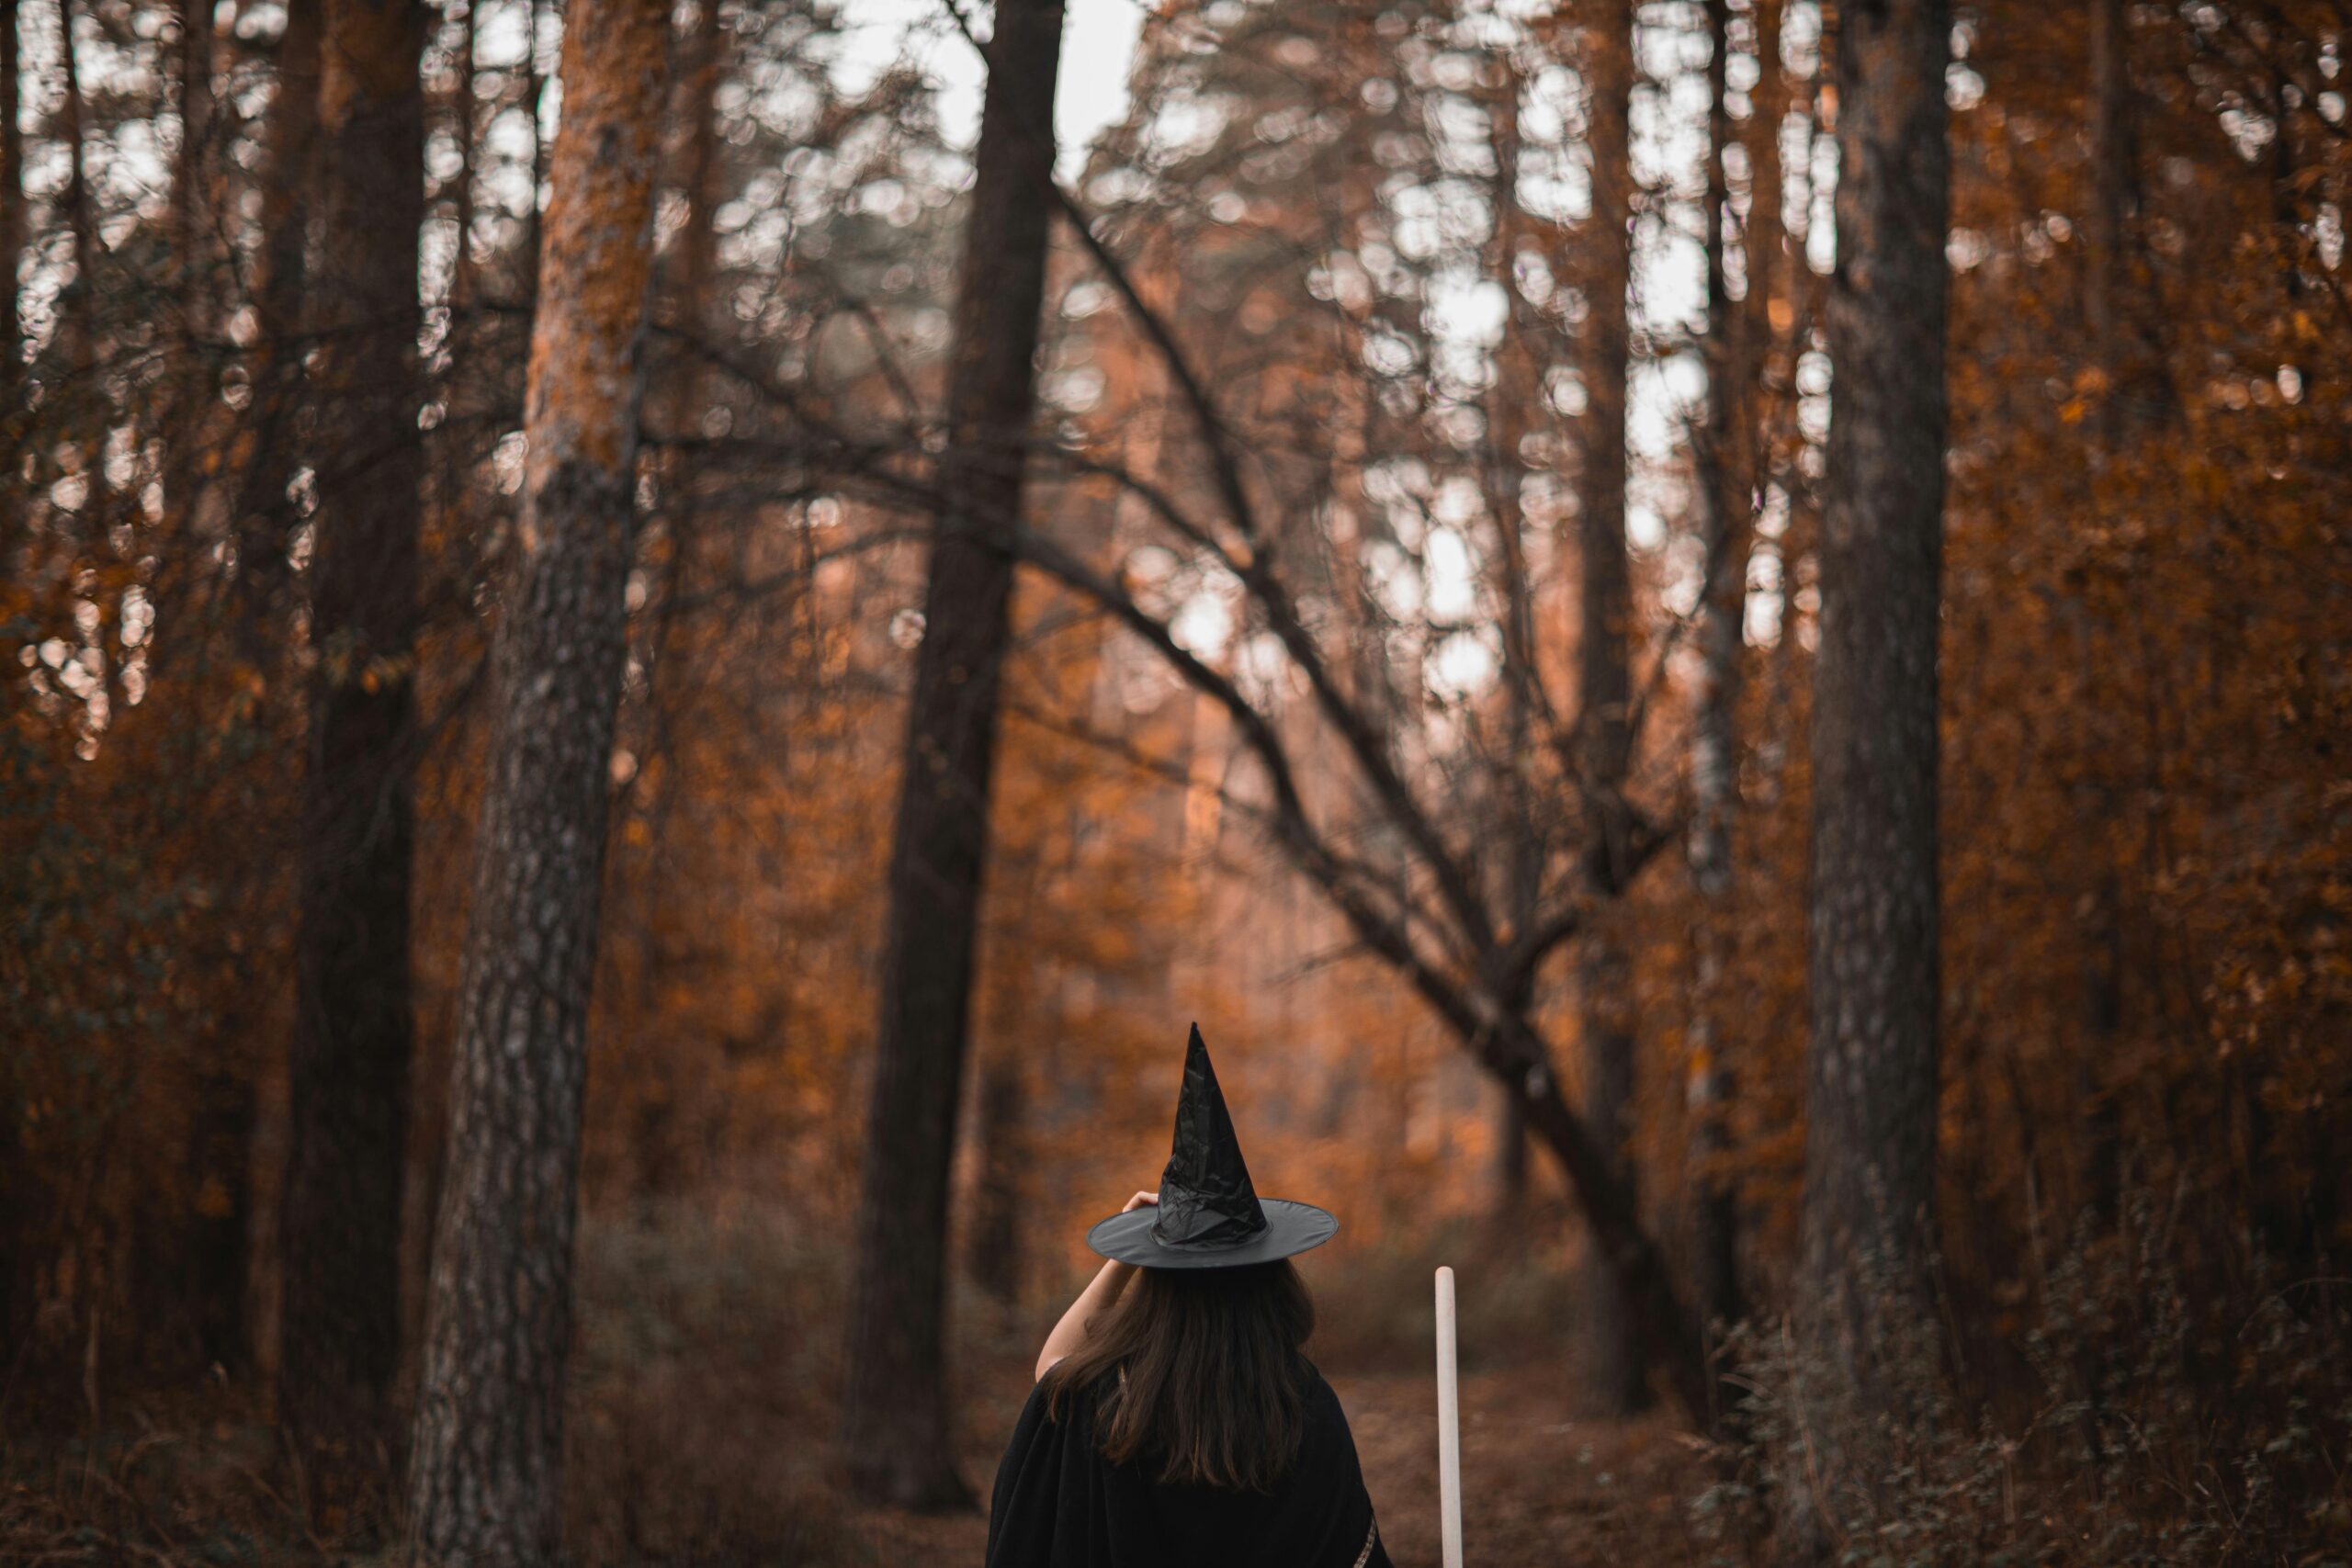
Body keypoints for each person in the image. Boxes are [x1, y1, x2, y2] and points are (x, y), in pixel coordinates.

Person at [984, 1025, 1394, 1568]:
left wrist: (1126, 1257)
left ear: (1159, 1283)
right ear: (1270, 1281)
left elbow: (1051, 1372)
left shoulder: (1107, 1404)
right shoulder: (1305, 1405)